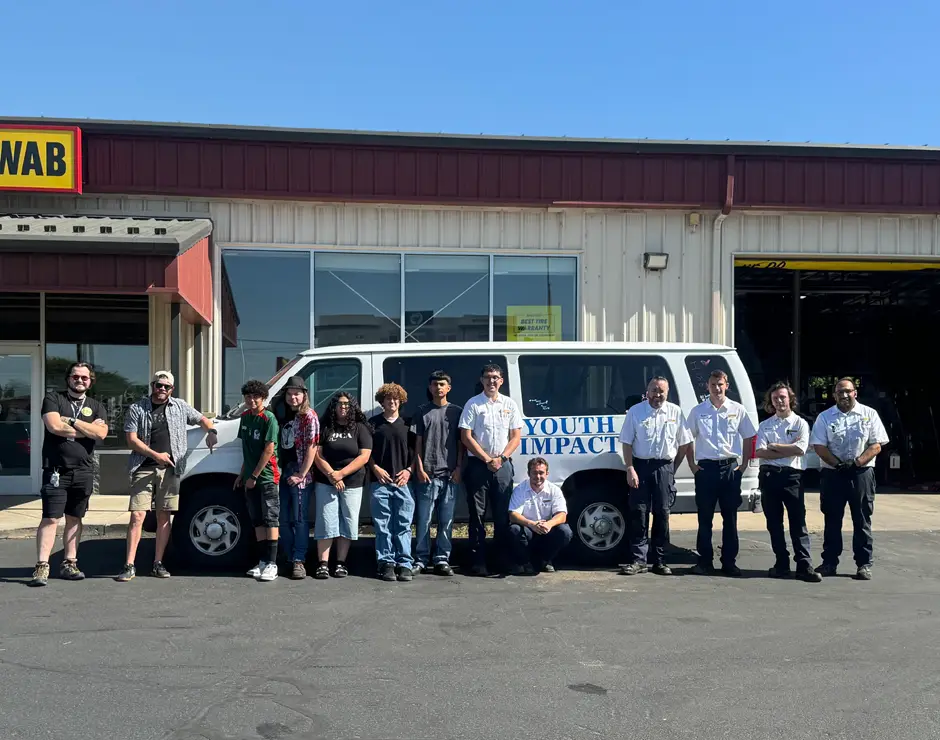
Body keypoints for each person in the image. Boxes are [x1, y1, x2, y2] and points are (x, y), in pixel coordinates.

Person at [116, 371, 218, 582]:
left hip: (171, 470)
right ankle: (129, 564)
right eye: (158, 385)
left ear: (172, 389)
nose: (161, 389)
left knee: (164, 517)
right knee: (137, 516)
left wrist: (212, 432)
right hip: (143, 467)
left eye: (166, 386)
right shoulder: (137, 408)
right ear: (152, 385)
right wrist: (156, 455)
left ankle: (158, 563)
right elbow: (131, 440)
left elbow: (202, 419)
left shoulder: (180, 406)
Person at [29, 362, 109, 587]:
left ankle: (69, 564)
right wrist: (88, 430)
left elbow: (101, 434)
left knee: (75, 518)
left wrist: (72, 421)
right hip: (56, 470)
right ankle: (42, 566)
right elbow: (54, 426)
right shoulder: (53, 399)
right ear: (68, 378)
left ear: (90, 382)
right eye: (75, 377)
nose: (80, 380)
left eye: (84, 378)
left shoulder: (96, 406)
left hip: (83, 471)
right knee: (51, 518)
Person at [810, 377, 889, 581]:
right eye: (840, 392)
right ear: (834, 395)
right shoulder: (824, 417)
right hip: (833, 474)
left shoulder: (869, 414)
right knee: (832, 520)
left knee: (862, 519)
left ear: (855, 393)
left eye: (848, 391)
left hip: (861, 473)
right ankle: (829, 563)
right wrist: (838, 465)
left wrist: (857, 463)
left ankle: (864, 564)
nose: (844, 395)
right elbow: (819, 446)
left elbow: (876, 445)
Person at [686, 369, 757, 577]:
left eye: (720, 384)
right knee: (704, 518)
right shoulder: (698, 411)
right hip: (706, 469)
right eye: (713, 385)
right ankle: (704, 562)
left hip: (730, 469)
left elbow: (749, 437)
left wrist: (743, 465)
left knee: (730, 518)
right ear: (707, 386)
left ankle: (729, 562)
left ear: (726, 386)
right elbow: (687, 438)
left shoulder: (737, 409)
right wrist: (692, 465)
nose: (717, 388)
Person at [618, 377, 692, 576]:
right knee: (639, 513)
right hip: (640, 467)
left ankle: (660, 560)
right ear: (647, 391)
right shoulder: (635, 412)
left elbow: (684, 443)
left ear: (667, 393)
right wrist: (630, 468)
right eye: (654, 390)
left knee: (662, 514)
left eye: (661, 391)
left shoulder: (675, 412)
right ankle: (638, 560)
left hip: (664, 467)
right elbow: (626, 442)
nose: (657, 395)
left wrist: (672, 468)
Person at [459, 363, 523, 577]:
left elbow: (515, 436)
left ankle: (502, 561)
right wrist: (487, 459)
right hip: (479, 465)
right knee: (477, 516)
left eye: (495, 377)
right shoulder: (473, 404)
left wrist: (501, 458)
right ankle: (478, 561)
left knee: (502, 515)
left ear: (501, 381)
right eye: (487, 377)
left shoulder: (510, 404)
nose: (491, 381)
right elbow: (466, 436)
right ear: (482, 380)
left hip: (503, 465)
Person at [754, 382, 821, 582]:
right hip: (769, 477)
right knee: (774, 523)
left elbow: (800, 449)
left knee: (798, 522)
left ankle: (804, 565)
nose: (779, 401)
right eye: (775, 398)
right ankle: (781, 563)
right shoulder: (765, 425)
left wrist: (774, 446)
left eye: (782, 397)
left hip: (793, 477)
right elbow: (760, 452)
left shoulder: (800, 423)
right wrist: (786, 449)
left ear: (790, 399)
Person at [313, 392, 372, 579]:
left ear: (352, 406)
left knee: (348, 521)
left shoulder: (360, 428)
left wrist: (341, 474)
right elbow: (317, 454)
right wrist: (332, 475)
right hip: (326, 481)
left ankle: (340, 563)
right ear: (333, 406)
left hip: (352, 482)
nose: (343, 407)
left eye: (347, 404)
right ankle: (323, 564)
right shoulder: (325, 426)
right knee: (325, 520)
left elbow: (364, 456)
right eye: (339, 404)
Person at [412, 371, 462, 576]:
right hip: (427, 475)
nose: (438, 388)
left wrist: (459, 468)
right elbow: (417, 444)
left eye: (442, 384)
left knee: (446, 521)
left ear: (448, 388)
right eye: (434, 384)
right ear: (429, 387)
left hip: (450, 476)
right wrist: (420, 468)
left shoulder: (457, 412)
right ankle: (421, 559)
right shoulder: (421, 412)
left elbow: (461, 443)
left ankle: (442, 559)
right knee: (423, 520)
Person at [369, 383, 416, 582]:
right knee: (383, 526)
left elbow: (417, 451)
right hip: (380, 482)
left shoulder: (408, 423)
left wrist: (409, 471)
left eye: (396, 398)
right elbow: (366, 452)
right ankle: (386, 563)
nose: (392, 402)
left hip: (403, 482)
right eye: (388, 398)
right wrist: (375, 469)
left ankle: (404, 563)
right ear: (382, 401)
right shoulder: (373, 423)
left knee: (403, 525)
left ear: (401, 401)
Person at [236, 379, 281, 583]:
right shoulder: (245, 417)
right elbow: (247, 451)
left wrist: (254, 476)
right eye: (248, 397)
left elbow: (269, 449)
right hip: (250, 478)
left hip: (267, 477)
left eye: (256, 397)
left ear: (263, 398)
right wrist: (242, 474)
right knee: (257, 520)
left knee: (271, 518)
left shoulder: (269, 418)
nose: (252, 400)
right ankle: (262, 561)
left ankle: (272, 563)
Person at [277, 376, 319, 580]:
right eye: (289, 393)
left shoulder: (309, 416)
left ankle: (299, 560)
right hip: (283, 470)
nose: (293, 397)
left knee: (300, 519)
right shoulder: (281, 414)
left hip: (300, 471)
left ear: (304, 395)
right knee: (283, 519)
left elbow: (312, 447)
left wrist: (302, 474)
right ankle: (288, 555)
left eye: (297, 394)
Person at [508, 457, 572, 574]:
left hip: (546, 529)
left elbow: (562, 515)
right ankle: (525, 562)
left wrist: (549, 524)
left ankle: (545, 560)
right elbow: (513, 514)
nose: (538, 476)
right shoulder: (520, 490)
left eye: (541, 473)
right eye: (534, 473)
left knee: (565, 532)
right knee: (515, 530)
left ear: (547, 474)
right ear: (528, 473)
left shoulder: (554, 490)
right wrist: (531, 524)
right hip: (528, 528)